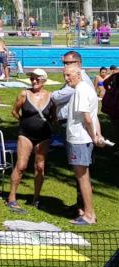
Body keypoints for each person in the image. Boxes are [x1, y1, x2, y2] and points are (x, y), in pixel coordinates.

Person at [6, 69, 56, 213]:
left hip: (44, 136)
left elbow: (54, 116)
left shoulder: (51, 97)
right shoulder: (24, 94)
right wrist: (23, 121)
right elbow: (15, 111)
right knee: (21, 165)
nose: (33, 81)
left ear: (44, 81)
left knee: (40, 167)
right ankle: (12, 197)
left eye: (37, 79)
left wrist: (50, 125)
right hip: (25, 134)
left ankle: (36, 198)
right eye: (32, 79)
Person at [62, 62, 105, 225]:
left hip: (79, 139)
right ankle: (89, 212)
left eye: (69, 75)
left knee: (82, 178)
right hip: (84, 139)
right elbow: (95, 116)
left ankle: (88, 215)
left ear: (78, 75)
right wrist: (97, 135)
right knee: (84, 177)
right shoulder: (88, 89)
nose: (66, 79)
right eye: (65, 75)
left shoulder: (80, 90)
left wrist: (94, 137)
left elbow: (87, 118)